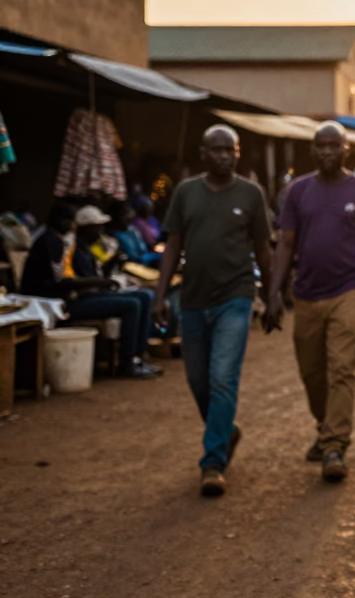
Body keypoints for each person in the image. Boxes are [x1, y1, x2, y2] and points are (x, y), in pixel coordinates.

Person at [153, 125, 274, 497]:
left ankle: (212, 462)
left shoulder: (251, 194)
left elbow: (263, 249)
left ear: (238, 154)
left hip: (235, 298)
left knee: (223, 378)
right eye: (216, 150)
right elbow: (173, 246)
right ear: (203, 154)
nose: (224, 156)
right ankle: (226, 431)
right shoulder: (186, 192)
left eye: (230, 150)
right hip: (192, 300)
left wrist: (272, 296)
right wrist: (159, 296)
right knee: (198, 381)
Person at [267, 122, 355, 484]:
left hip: (349, 291)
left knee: (341, 369)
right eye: (321, 146)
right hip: (305, 294)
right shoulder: (298, 192)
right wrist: (273, 293)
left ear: (345, 150)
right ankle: (325, 427)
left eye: (334, 146)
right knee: (312, 373)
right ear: (313, 150)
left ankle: (335, 445)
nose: (327, 152)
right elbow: (286, 244)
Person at [25, 204, 163, 379]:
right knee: (132, 304)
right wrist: (102, 281)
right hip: (63, 302)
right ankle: (127, 362)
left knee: (144, 296)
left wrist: (109, 269)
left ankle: (139, 357)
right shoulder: (54, 243)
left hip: (79, 295)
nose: (100, 230)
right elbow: (62, 282)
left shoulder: (74, 244)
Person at [111, 202, 161, 268]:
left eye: (129, 219)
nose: (127, 220)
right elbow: (133, 255)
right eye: (124, 218)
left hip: (143, 255)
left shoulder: (131, 229)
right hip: (135, 260)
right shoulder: (117, 234)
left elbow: (141, 246)